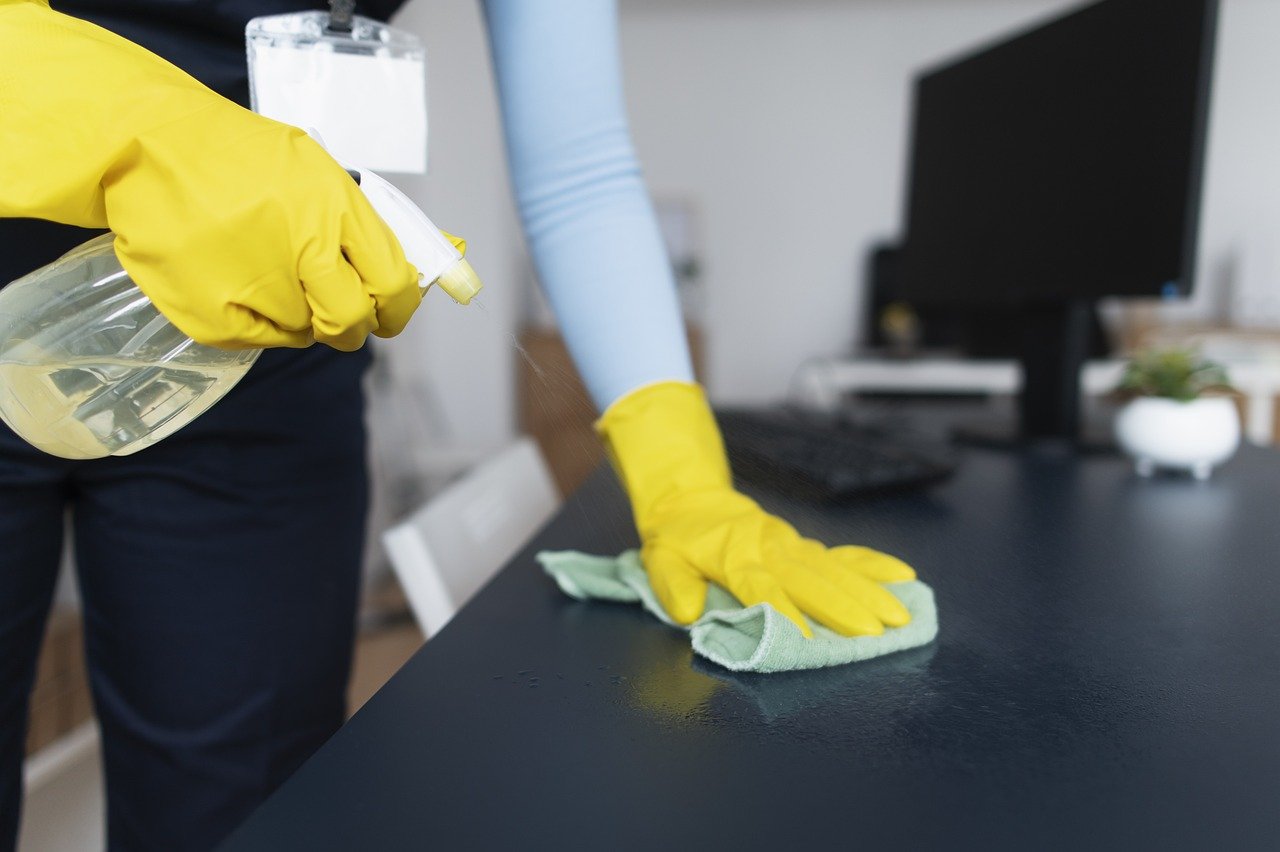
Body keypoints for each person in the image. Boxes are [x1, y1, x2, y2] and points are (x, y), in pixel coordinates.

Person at [0, 1, 918, 848]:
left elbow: (580, 164)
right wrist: (136, 130)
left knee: (244, 809)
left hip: (262, 342)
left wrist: (683, 476)